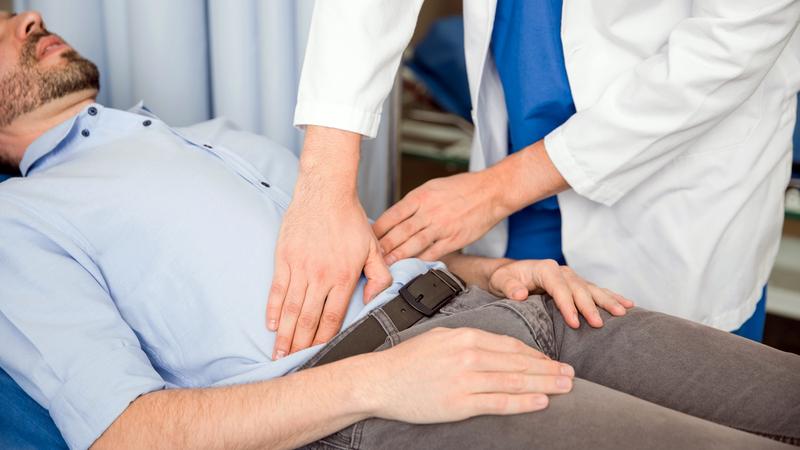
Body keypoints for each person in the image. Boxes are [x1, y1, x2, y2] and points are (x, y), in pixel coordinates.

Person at [1, 11, 800, 450]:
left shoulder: (213, 137)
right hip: (389, 394)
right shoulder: (21, 222)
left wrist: (494, 275)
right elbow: (125, 436)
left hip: (514, 307)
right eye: (1, 23)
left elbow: (357, 254)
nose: (31, 15)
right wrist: (381, 385)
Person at [272, 0, 800, 356]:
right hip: (519, 129)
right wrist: (325, 180)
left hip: (676, 174)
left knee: (680, 389)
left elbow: (736, 36)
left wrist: (497, 189)